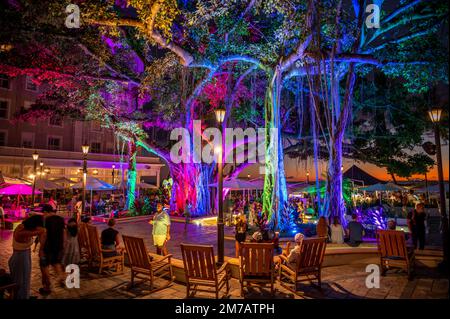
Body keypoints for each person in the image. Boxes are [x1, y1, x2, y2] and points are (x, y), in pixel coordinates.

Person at [8, 215, 46, 299]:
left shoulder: (28, 228)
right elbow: (40, 231)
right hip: (19, 257)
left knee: (25, 279)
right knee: (19, 281)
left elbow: (41, 234)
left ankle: (25, 295)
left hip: (25, 256)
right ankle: (20, 296)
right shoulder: (21, 229)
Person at [39, 208, 66, 295]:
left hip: (48, 246)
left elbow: (45, 235)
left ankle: (47, 286)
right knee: (56, 263)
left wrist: (41, 248)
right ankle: (62, 277)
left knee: (44, 265)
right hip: (57, 247)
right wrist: (63, 246)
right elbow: (64, 233)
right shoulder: (60, 219)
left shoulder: (48, 220)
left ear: (46, 212)